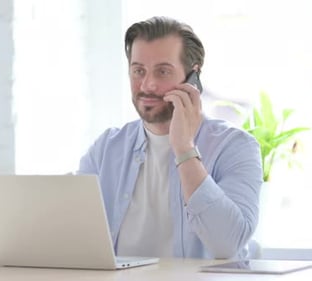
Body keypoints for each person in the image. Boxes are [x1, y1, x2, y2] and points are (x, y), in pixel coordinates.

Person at [77, 16, 262, 259]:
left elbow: (227, 244)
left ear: (192, 77)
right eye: (138, 71)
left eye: (163, 71)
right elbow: (74, 235)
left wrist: (184, 148)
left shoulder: (236, 147)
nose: (148, 84)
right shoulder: (106, 149)